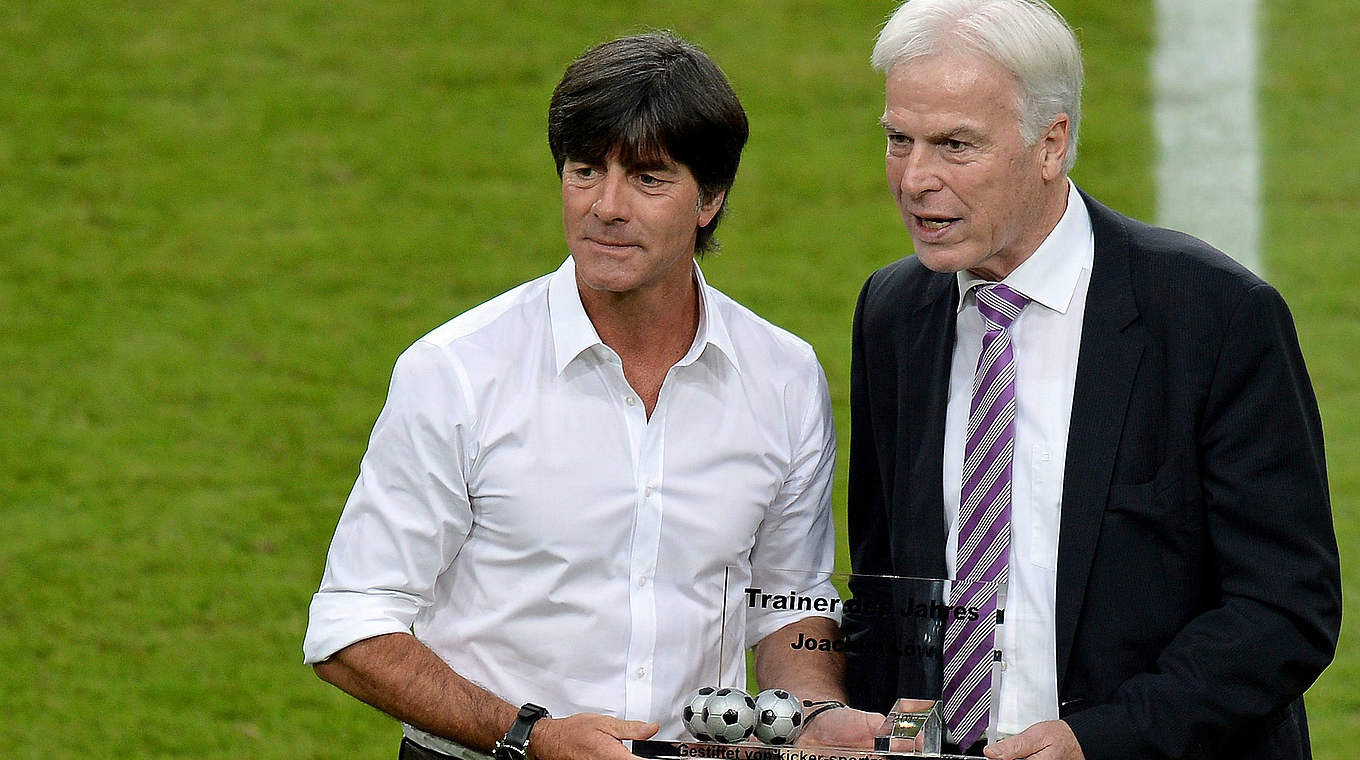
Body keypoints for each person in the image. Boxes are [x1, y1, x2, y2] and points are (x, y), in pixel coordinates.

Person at [304, 32, 879, 760]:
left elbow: (788, 603)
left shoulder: (784, 377)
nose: (605, 207)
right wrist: (529, 735)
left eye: (647, 179)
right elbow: (349, 628)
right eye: (584, 171)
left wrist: (813, 710)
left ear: (710, 200)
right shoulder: (454, 372)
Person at [843, 1, 1341, 759]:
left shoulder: (1213, 317)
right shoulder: (894, 313)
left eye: (955, 145)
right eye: (898, 140)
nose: (915, 179)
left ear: (1052, 144)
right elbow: (888, 579)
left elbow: (1284, 608)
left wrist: (1101, 740)